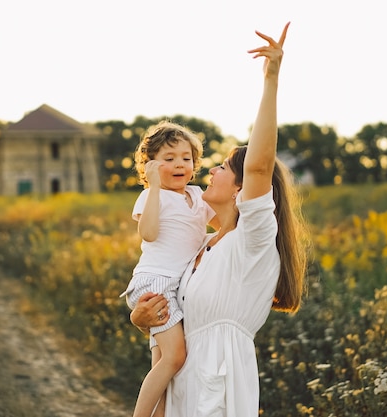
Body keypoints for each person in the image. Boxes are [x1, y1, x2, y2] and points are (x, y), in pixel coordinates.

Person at [130, 22, 309, 416]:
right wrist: (141, 318)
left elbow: (260, 164)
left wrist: (271, 79)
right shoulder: (202, 246)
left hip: (217, 393)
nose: (209, 171)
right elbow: (173, 322)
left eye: (224, 166)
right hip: (179, 395)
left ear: (243, 190)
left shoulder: (252, 239)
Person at [121, 120, 218, 417]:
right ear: (150, 166)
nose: (180, 165)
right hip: (155, 283)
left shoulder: (198, 195)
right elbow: (148, 233)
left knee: (163, 370)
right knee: (175, 358)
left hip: (177, 287)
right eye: (169, 158)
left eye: (186, 158)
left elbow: (223, 227)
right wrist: (153, 188)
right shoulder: (154, 196)